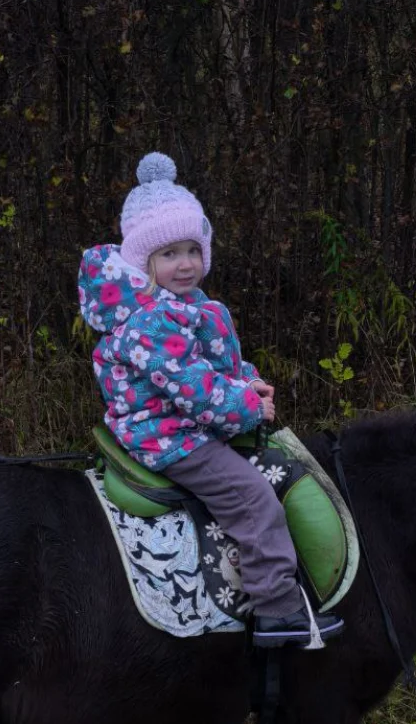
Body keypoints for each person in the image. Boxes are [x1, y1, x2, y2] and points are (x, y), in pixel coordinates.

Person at [78, 152, 343, 647]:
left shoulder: (188, 305)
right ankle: (278, 609)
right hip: (168, 435)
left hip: (183, 421)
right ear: (143, 263)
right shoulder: (151, 320)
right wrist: (248, 408)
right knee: (253, 499)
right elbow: (196, 390)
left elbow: (217, 366)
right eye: (168, 254)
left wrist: (248, 382)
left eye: (192, 251)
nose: (185, 264)